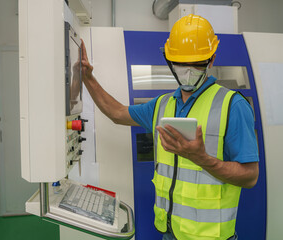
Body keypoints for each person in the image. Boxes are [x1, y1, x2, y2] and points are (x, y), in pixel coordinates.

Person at [80, 14, 259, 240]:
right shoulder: (162, 105)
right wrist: (88, 78)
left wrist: (202, 158)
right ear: (168, 59)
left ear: (211, 60)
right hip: (169, 232)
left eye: (197, 63)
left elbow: (250, 177)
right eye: (180, 63)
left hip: (211, 236)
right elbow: (117, 113)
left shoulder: (233, 106)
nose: (188, 69)